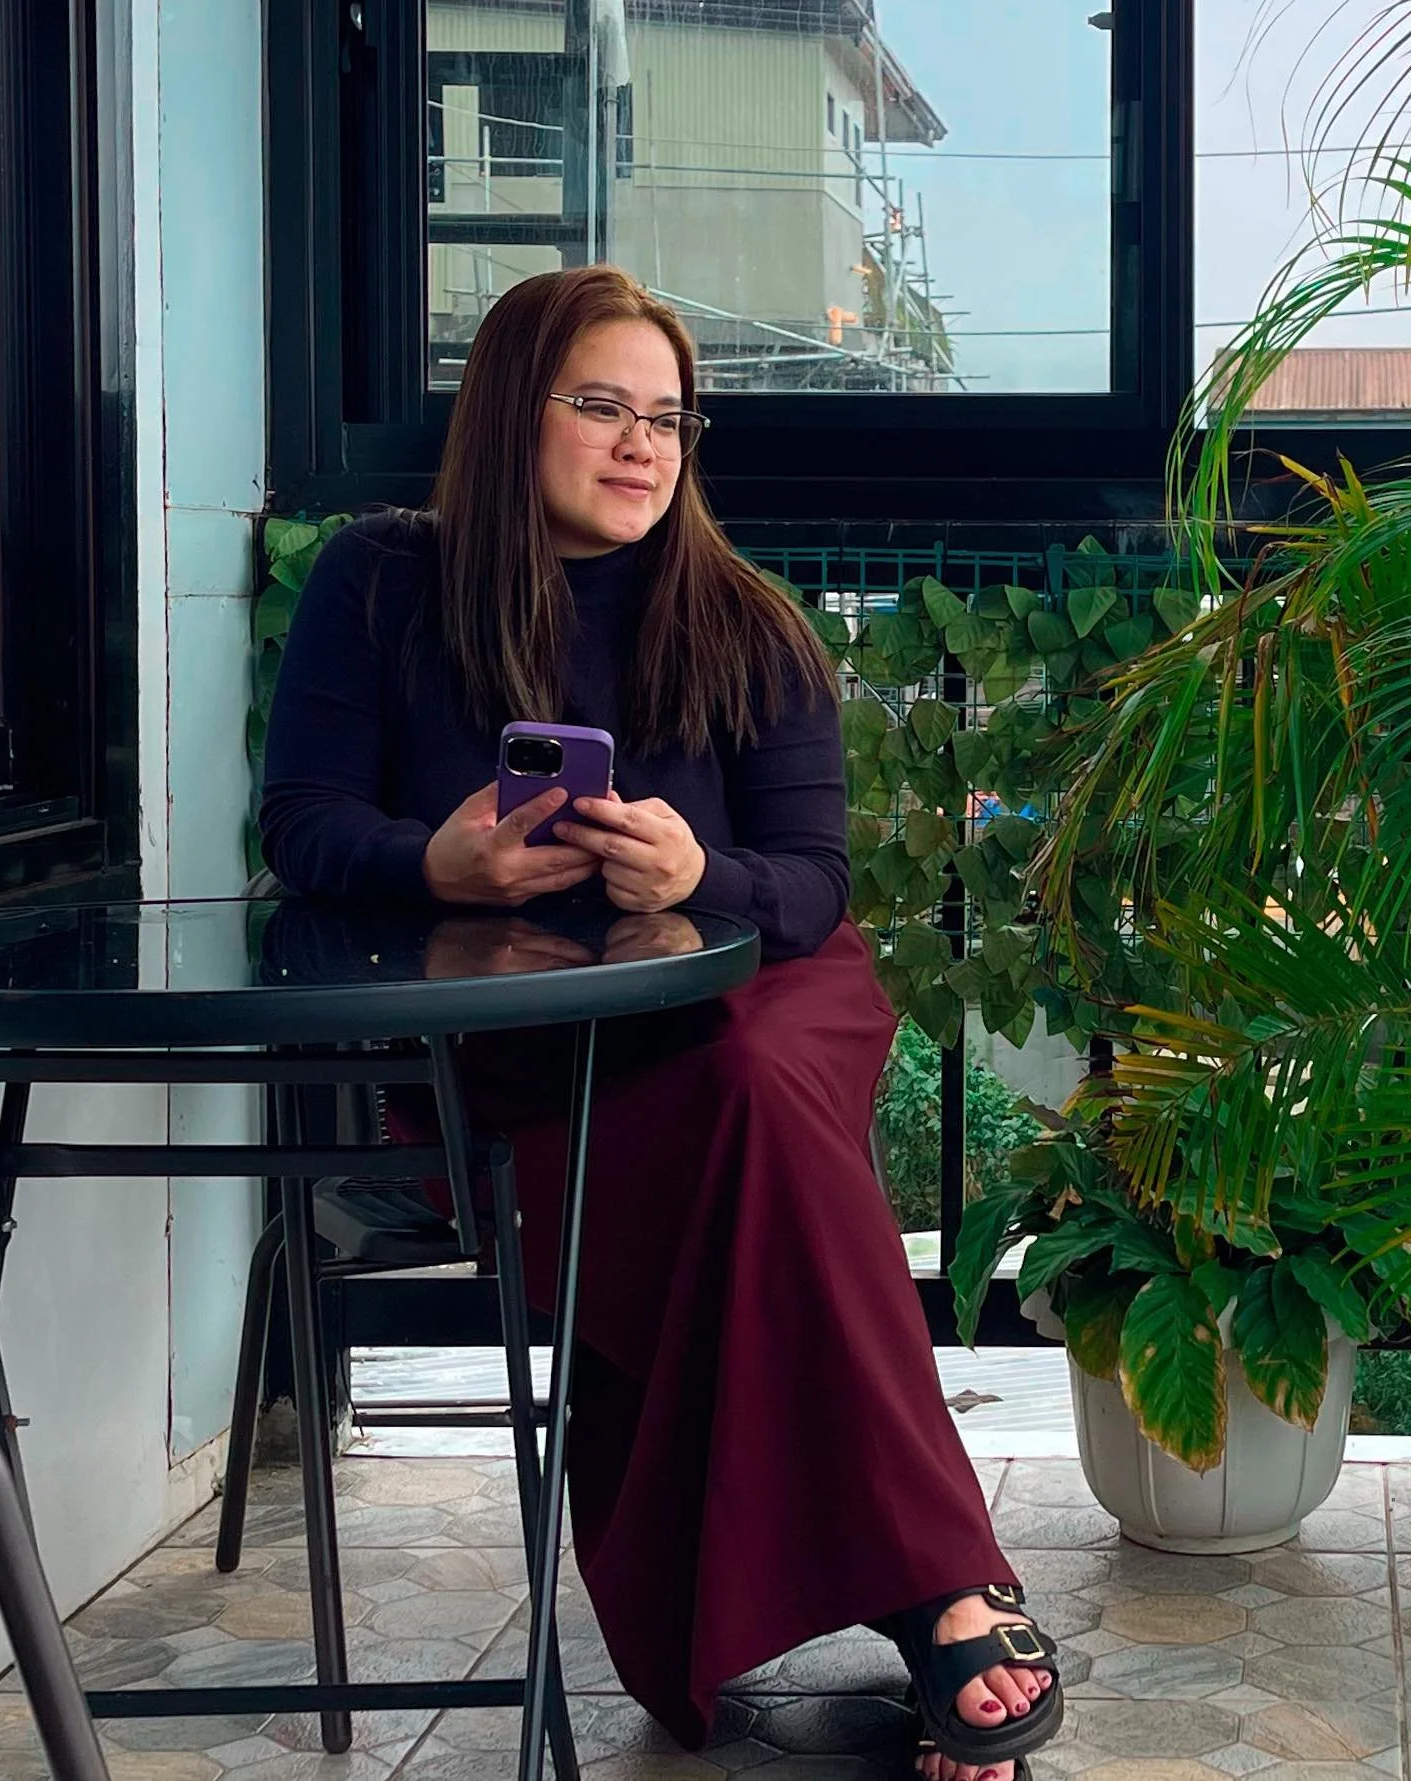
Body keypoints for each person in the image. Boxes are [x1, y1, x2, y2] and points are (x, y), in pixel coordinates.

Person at [260, 265, 1063, 1781]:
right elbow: (301, 824)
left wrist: (700, 874)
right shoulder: (380, 583)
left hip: (764, 990)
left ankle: (930, 1584)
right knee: (740, 1129)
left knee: (756, 1076)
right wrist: (437, 862)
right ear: (512, 413)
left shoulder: (746, 623)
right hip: (522, 1044)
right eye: (602, 406)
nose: (644, 445)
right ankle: (943, 1588)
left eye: (670, 418)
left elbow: (814, 883)